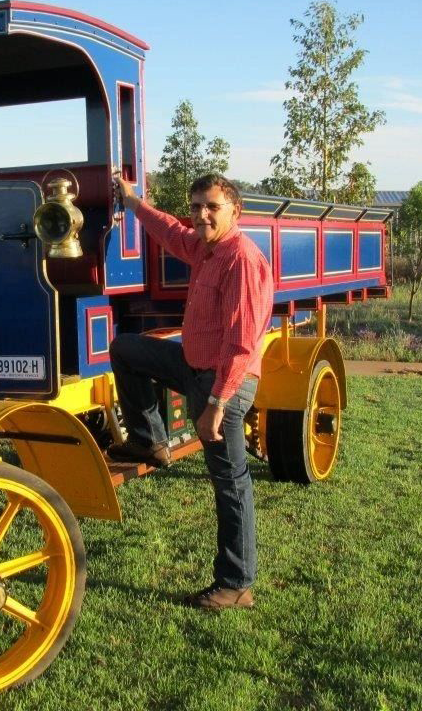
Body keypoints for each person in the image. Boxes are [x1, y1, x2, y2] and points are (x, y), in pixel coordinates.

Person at [108, 173, 274, 609]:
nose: (201, 214)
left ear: (234, 210)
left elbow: (241, 344)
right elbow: (171, 231)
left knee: (231, 483)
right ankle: (150, 441)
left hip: (224, 384)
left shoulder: (241, 258)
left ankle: (237, 583)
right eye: (196, 205)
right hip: (192, 366)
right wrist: (133, 202)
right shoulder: (205, 248)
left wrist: (217, 406)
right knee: (126, 350)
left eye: (211, 207)